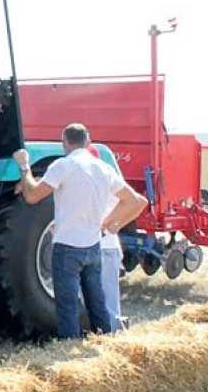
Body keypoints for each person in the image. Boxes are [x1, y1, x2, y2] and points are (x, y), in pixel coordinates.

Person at [13, 123, 147, 339]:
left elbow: (32, 196)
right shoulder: (104, 169)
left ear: (64, 142)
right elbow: (135, 201)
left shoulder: (63, 165)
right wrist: (110, 223)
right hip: (93, 247)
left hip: (67, 247)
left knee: (67, 308)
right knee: (98, 304)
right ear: (88, 141)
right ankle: (105, 342)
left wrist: (24, 167)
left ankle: (69, 346)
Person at [88, 144, 126, 332]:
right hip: (106, 245)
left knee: (106, 298)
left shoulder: (98, 181)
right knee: (105, 296)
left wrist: (105, 225)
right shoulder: (109, 178)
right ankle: (107, 331)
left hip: (104, 245)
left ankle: (112, 333)